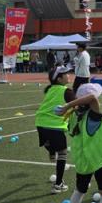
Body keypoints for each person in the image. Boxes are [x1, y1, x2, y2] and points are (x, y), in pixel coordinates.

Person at [35, 65, 76, 194]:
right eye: (66, 74)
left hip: (40, 123)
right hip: (55, 126)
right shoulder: (66, 91)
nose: (68, 75)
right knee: (63, 153)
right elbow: (78, 104)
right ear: (59, 79)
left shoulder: (50, 89)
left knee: (52, 146)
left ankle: (52, 152)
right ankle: (58, 184)